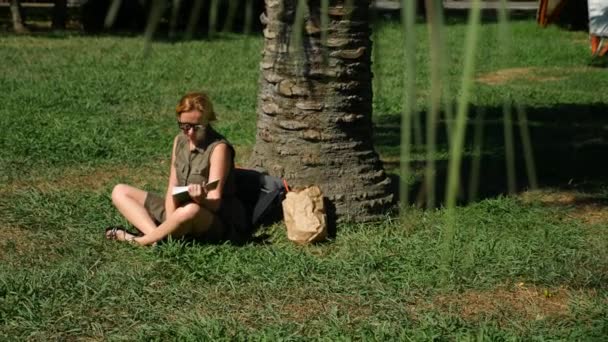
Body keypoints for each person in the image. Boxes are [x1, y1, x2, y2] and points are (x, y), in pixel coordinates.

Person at [106, 92, 248, 245]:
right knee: (119, 191)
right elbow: (172, 187)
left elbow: (215, 203)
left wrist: (201, 199)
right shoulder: (179, 141)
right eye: (185, 127)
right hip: (178, 211)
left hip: (211, 219)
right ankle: (157, 238)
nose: (190, 132)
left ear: (207, 121)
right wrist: (171, 218)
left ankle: (139, 241)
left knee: (190, 210)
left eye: (197, 127)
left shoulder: (219, 148)